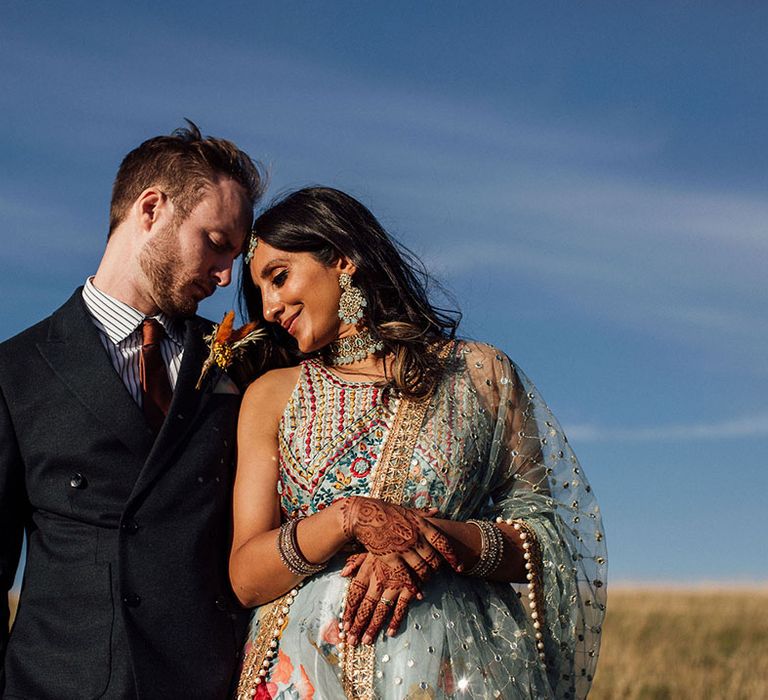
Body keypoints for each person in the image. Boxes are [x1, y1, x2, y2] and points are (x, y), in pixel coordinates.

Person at [230, 187, 607, 699]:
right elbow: (247, 576)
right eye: (261, 293)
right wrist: (348, 518)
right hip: (306, 670)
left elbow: (543, 544)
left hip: (459, 669)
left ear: (343, 259)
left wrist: (430, 539)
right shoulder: (271, 396)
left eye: (279, 277)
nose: (270, 307)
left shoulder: (479, 373)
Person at [0, 123, 265, 699]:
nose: (225, 277)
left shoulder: (242, 364)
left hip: (208, 684)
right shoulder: (13, 372)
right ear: (151, 209)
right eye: (216, 241)